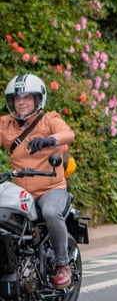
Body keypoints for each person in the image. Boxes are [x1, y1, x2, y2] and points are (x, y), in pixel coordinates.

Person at [0, 73, 75, 288]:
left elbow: (68, 134)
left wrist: (49, 140)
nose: (21, 102)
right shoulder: (6, 124)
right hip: (21, 192)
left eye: (27, 97)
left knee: (51, 213)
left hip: (51, 188)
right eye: (17, 98)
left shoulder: (49, 119)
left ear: (37, 99)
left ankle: (62, 264)